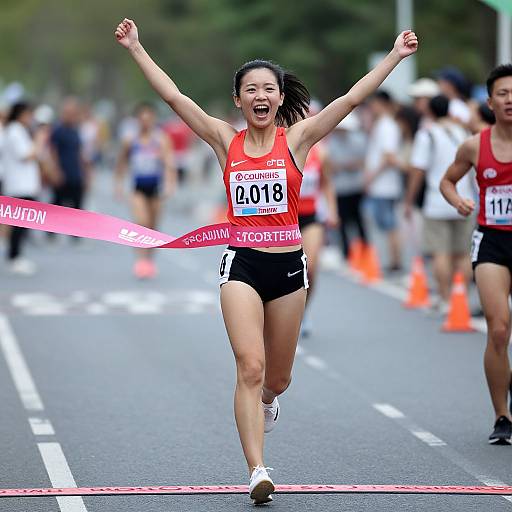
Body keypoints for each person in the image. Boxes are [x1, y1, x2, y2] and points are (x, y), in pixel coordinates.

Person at [115, 17, 418, 503]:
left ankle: (270, 402)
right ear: (238, 100)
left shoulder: (297, 140)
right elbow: (174, 97)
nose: (260, 96)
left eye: (268, 89)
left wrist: (395, 56)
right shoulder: (223, 140)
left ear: (279, 99)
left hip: (288, 268)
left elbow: (351, 100)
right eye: (250, 89)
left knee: (276, 378)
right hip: (242, 265)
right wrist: (136, 48)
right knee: (249, 367)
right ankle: (257, 469)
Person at [440, 64, 512, 445]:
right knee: (499, 328)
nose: (510, 99)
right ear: (490, 101)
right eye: (503, 93)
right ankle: (502, 414)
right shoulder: (474, 145)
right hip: (492, 242)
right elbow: (447, 181)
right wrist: (459, 201)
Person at [408, 95, 474, 310]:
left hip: (437, 200)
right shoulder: (463, 132)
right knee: (463, 253)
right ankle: (460, 297)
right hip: (464, 198)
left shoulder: (427, 133)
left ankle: (445, 298)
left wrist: (409, 199)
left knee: (440, 252)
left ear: (430, 111)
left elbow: (418, 169)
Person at [115, 102, 176, 278]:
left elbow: (169, 163)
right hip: (138, 188)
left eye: (149, 119)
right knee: (141, 222)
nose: (145, 122)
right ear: (137, 120)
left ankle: (149, 260)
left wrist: (170, 184)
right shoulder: (130, 140)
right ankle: (140, 260)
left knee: (153, 227)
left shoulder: (161, 139)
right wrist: (118, 185)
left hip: (156, 188)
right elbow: (121, 163)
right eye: (142, 119)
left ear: (154, 119)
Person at [297, 119, 338, 337]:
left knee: (310, 268)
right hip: (284, 220)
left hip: (311, 217)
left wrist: (332, 210)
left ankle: (303, 312)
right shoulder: (280, 147)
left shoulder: (320, 152)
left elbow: (327, 184)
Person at [2, 102, 47, 274]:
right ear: (21, 114)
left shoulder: (20, 131)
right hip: (18, 186)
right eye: (29, 114)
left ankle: (17, 255)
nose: (31, 118)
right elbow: (26, 155)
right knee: (19, 224)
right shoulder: (14, 131)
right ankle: (14, 257)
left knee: (24, 224)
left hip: (26, 185)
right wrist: (39, 140)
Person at [364, 90, 403, 273]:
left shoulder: (387, 126)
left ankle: (395, 260)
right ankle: (393, 259)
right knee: (387, 224)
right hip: (382, 185)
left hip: (385, 185)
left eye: (374, 103)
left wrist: (371, 175)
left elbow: (388, 156)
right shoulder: (383, 125)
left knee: (389, 225)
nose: (372, 107)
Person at [327, 112, 368, 259]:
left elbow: (362, 161)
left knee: (358, 219)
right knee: (343, 221)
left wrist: (346, 165)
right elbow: (330, 165)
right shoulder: (332, 142)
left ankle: (365, 248)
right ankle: (346, 251)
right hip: (340, 188)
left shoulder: (358, 140)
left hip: (355, 186)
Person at [49, 97, 90, 240]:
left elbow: (79, 152)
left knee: (77, 204)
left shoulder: (75, 130)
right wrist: (55, 170)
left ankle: (76, 233)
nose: (71, 116)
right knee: (57, 204)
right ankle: (51, 231)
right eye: (68, 113)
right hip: (62, 171)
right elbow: (53, 151)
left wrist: (85, 172)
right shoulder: (58, 130)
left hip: (75, 173)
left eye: (73, 113)